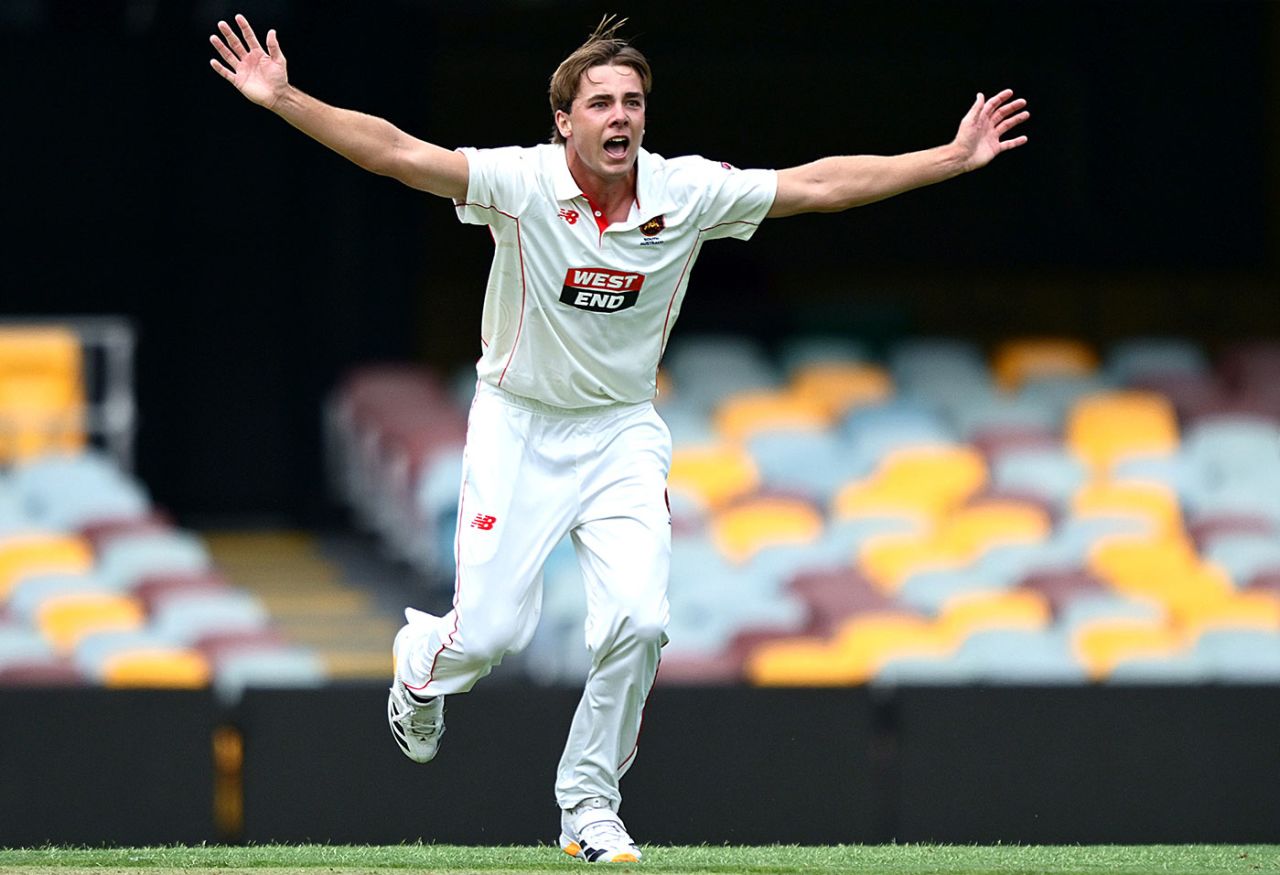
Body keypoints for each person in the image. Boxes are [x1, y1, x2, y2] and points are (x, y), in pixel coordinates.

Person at [210, 12, 1028, 863]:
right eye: (600, 102)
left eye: (633, 102)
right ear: (563, 119)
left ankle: (588, 805)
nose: (621, 117)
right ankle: (421, 664)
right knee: (487, 637)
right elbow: (398, 153)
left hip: (622, 431)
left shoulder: (687, 192)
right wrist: (285, 99)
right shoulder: (520, 184)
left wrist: (952, 156)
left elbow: (817, 185)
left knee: (638, 621)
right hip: (517, 424)